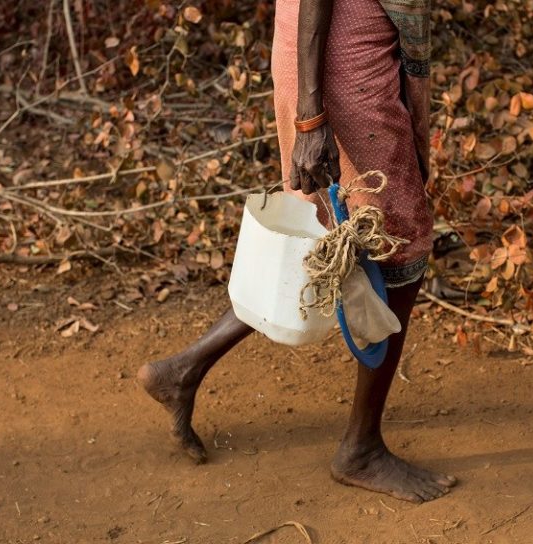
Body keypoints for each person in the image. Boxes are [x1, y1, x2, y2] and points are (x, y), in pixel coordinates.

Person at [137, 0, 457, 503]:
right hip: (342, 68)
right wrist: (311, 120)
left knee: (333, 238)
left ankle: (182, 371)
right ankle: (361, 449)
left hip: (327, 50)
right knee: (397, 249)